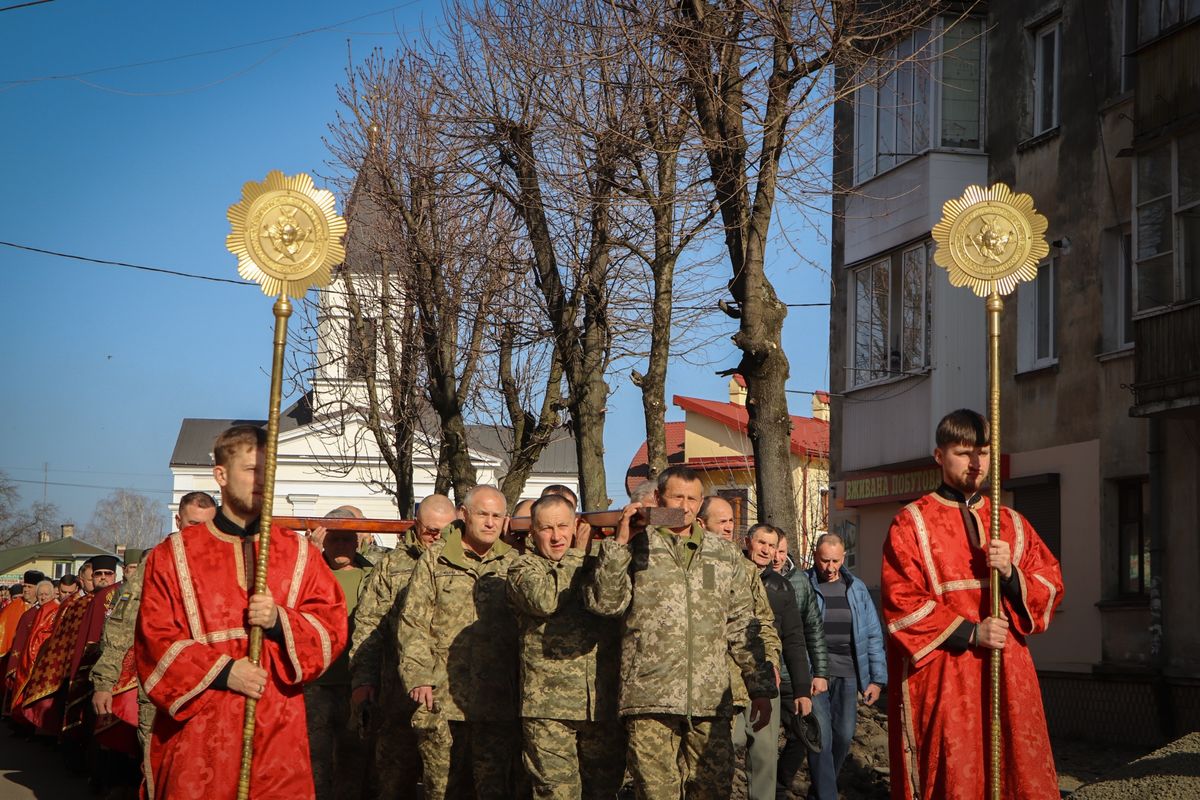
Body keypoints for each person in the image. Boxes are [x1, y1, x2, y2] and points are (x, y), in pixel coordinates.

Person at [135, 424, 348, 799]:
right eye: (251, 469)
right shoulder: (172, 556)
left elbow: (332, 628)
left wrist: (280, 621)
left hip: (278, 730)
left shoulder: (299, 552)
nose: (262, 479)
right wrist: (224, 672)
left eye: (269, 469)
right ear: (221, 475)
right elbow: (155, 640)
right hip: (201, 731)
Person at [882, 409, 1063, 800]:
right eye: (964, 453)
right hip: (947, 673)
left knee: (1015, 769)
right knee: (957, 773)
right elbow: (902, 601)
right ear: (939, 455)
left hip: (1008, 670)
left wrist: (1010, 574)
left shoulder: (1011, 523)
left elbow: (1050, 585)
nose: (976, 463)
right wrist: (972, 632)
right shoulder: (911, 523)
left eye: (984, 452)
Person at [585, 465, 776, 800]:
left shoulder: (723, 554)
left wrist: (759, 687)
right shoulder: (635, 545)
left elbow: (741, 623)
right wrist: (620, 542)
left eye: (692, 499)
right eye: (677, 498)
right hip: (650, 698)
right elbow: (605, 604)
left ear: (701, 503)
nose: (685, 507)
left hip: (709, 701)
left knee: (713, 791)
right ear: (659, 498)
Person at [398, 485, 520, 800]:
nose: (490, 523)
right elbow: (413, 622)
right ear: (464, 515)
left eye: (497, 516)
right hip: (442, 700)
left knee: (493, 790)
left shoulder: (514, 563)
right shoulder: (435, 560)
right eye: (483, 514)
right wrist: (419, 675)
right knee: (443, 789)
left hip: (496, 703)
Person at [507, 493, 625, 799]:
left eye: (562, 526)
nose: (556, 536)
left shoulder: (596, 562)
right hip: (548, 709)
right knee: (556, 793)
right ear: (533, 532)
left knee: (603, 792)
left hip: (600, 704)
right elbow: (545, 600)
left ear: (575, 526)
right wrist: (575, 555)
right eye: (547, 528)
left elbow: (611, 602)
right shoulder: (523, 568)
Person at [91, 491, 217, 761]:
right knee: (156, 762)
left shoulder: (224, 564)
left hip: (210, 686)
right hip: (160, 686)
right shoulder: (157, 562)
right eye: (193, 524)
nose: (200, 532)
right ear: (178, 521)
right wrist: (104, 682)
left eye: (208, 525)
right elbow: (123, 624)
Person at [350, 493, 457, 800]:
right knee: (394, 781)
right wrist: (363, 680)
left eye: (445, 531)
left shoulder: (460, 561)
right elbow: (369, 625)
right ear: (416, 526)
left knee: (446, 785)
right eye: (430, 531)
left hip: (448, 696)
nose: (437, 538)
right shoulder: (393, 566)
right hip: (396, 694)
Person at [803, 534, 886, 800]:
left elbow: (872, 634)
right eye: (824, 560)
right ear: (815, 557)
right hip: (816, 674)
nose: (830, 567)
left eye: (835, 561)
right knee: (821, 737)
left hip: (849, 673)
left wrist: (877, 679)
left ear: (843, 558)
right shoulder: (803, 584)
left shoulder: (856, 588)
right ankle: (828, 795)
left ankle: (820, 791)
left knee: (843, 736)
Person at [734, 524, 813, 800]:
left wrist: (802, 689)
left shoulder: (781, 587)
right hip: (730, 679)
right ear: (748, 542)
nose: (767, 551)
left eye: (772, 545)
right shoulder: (729, 573)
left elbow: (794, 638)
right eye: (761, 543)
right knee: (726, 746)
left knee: (765, 756)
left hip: (768, 679)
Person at [304, 509, 371, 800]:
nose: (341, 545)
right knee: (314, 763)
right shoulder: (308, 573)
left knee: (353, 763)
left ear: (358, 542)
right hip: (316, 685)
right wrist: (309, 554)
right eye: (334, 539)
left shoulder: (372, 575)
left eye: (347, 539)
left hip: (355, 684)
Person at [773, 535, 830, 799]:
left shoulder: (800, 582)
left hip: (791, 674)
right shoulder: (749, 575)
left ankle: (779, 786)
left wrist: (820, 672)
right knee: (759, 741)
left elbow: (813, 628)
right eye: (772, 550)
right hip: (761, 675)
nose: (776, 557)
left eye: (781, 551)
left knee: (802, 734)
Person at [5, 580, 59, 713]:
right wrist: (15, 665)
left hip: (49, 663)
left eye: (46, 594)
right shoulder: (28, 615)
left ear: (53, 595)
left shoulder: (59, 612)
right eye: (40, 594)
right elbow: (19, 642)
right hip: (29, 664)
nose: (43, 597)